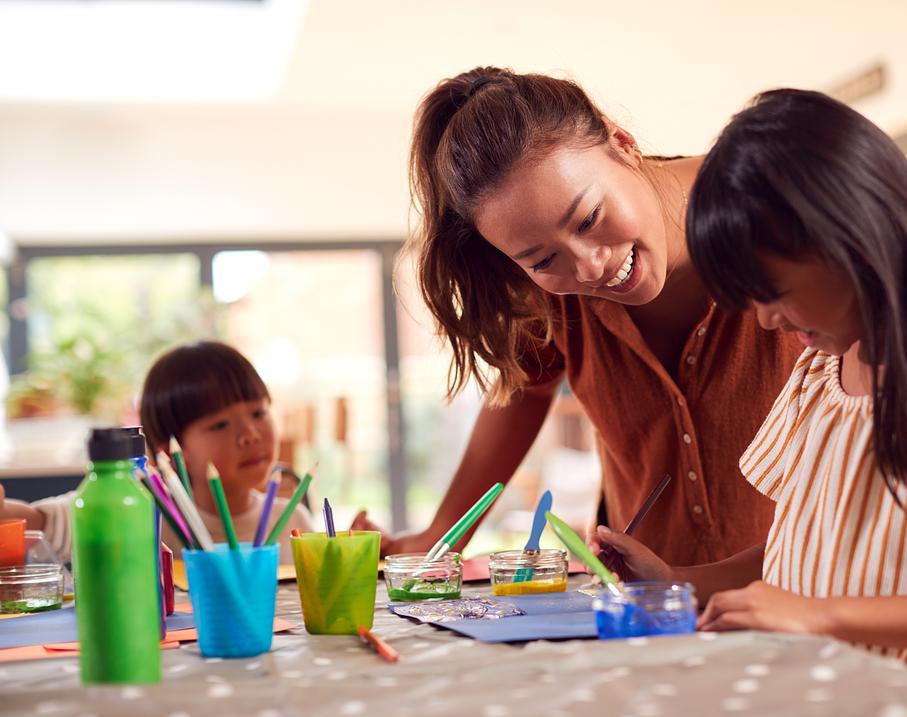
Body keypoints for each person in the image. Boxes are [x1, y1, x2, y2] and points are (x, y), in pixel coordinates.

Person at [597, 88, 907, 716]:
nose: (766, 321)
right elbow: (809, 547)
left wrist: (820, 615)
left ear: (851, 236)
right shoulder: (821, 373)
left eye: (772, 291)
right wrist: (679, 581)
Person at [352, 66, 803, 567]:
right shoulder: (548, 290)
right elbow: (524, 389)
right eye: (543, 260)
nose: (590, 267)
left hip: (818, 595)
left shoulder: (780, 205)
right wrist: (443, 535)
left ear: (623, 143)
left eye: (588, 218)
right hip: (644, 606)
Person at [0, 341, 314, 563]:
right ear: (171, 448)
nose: (250, 434)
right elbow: (45, 521)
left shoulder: (293, 521)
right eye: (220, 425)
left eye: (259, 413)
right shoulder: (139, 511)